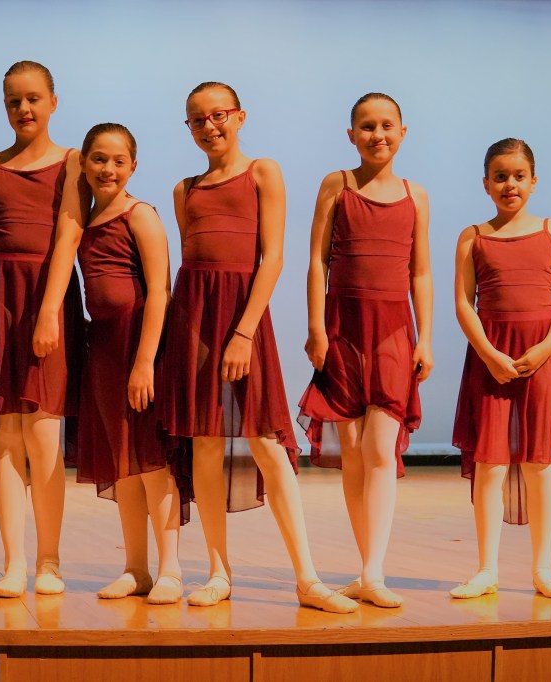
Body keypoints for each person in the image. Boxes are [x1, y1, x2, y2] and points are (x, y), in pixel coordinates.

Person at [160, 82, 357, 613]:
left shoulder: (263, 172)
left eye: (218, 115)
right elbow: (192, 266)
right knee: (204, 443)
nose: (209, 126)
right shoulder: (184, 190)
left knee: (267, 443)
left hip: (243, 320)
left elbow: (272, 259)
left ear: (239, 116)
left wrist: (243, 332)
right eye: (197, 119)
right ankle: (218, 572)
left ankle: (307, 579)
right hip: (195, 320)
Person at [0, 60, 85, 597]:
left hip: (45, 297)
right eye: (14, 100)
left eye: (33, 98)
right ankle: (13, 562)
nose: (24, 108)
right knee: (5, 433)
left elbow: (69, 235)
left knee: (44, 432)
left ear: (53, 101)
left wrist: (50, 309)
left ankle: (49, 561)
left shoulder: (73, 161)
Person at [298, 92, 433, 608]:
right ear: (351, 135)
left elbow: (421, 272)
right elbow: (318, 261)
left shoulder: (416, 195)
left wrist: (426, 337)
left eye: (387, 125)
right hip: (343, 328)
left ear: (403, 132)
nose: (378, 134)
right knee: (353, 452)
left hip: (394, 330)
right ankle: (366, 570)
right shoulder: (337, 185)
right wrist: (316, 328)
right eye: (368, 126)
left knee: (380, 449)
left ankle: (373, 572)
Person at [450, 138, 551, 600]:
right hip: (491, 357)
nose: (510, 184)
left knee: (539, 461)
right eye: (500, 177)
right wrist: (488, 353)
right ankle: (487, 569)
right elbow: (463, 303)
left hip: (543, 356)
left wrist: (546, 347)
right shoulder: (473, 236)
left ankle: (543, 570)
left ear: (534, 181)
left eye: (519, 176)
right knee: (490, 464)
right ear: (486, 184)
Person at [74, 123, 184, 605]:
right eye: (99, 159)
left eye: (119, 161)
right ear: (83, 163)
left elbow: (160, 291)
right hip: (102, 347)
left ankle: (171, 569)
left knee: (152, 461)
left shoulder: (140, 215)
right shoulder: (82, 220)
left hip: (139, 346)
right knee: (123, 463)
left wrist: (144, 363)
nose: (108, 169)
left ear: (133, 166)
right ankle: (135, 568)